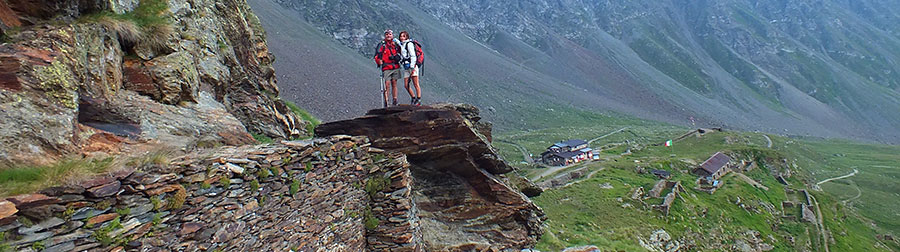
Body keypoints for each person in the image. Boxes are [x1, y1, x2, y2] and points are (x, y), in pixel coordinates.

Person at [373, 29, 403, 106]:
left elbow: (402, 52)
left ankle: (395, 100)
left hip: (395, 66)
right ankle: (386, 100)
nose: (388, 36)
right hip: (386, 67)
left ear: (392, 35)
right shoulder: (382, 45)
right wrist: (379, 61)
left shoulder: (396, 44)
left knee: (394, 83)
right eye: (387, 34)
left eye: (389, 34)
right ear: (385, 36)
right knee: (387, 84)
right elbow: (377, 55)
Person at [398, 31, 421, 105]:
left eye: (404, 36)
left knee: (415, 83)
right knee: (406, 85)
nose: (402, 38)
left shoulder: (409, 44)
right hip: (406, 67)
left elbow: (413, 55)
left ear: (407, 37)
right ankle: (413, 97)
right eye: (401, 36)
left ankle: (418, 99)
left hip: (412, 67)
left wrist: (412, 66)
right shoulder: (402, 45)